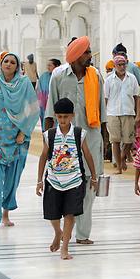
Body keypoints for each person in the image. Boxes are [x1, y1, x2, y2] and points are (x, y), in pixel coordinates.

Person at [45, 36, 106, 245]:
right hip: (66, 143)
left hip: (91, 138)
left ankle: (82, 234)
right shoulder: (59, 76)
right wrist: (49, 144)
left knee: (90, 186)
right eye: (87, 52)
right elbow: (50, 111)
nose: (90, 56)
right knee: (67, 186)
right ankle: (65, 231)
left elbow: (102, 113)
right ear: (77, 56)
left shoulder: (95, 76)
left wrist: (103, 147)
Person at [0, 52, 39, 228]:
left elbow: (33, 110)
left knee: (12, 179)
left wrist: (23, 132)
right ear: (1, 63)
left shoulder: (24, 83)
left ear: (17, 66)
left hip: (17, 139)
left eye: (12, 62)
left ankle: (5, 213)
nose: (8, 64)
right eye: (6, 61)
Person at [36, 97, 99, 260]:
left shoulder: (79, 133)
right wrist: (39, 180)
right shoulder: (49, 135)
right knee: (53, 214)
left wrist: (94, 176)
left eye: (66, 117)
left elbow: (87, 155)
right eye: (59, 117)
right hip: (53, 180)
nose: (62, 120)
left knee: (70, 214)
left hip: (75, 180)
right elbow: (43, 157)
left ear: (72, 116)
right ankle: (58, 232)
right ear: (56, 116)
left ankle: (65, 248)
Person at [104, 55, 140, 174]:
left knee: (128, 141)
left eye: (123, 64)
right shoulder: (109, 79)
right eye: (119, 65)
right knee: (115, 140)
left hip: (128, 112)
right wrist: (104, 115)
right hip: (112, 113)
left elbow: (137, 97)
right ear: (114, 66)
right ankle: (119, 167)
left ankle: (121, 158)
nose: (122, 67)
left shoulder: (132, 78)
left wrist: (138, 114)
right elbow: (105, 98)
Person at [37, 59, 60, 127]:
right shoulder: (44, 76)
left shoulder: (60, 76)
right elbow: (39, 90)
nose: (48, 67)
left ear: (57, 66)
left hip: (57, 103)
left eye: (50, 65)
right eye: (47, 65)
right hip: (44, 105)